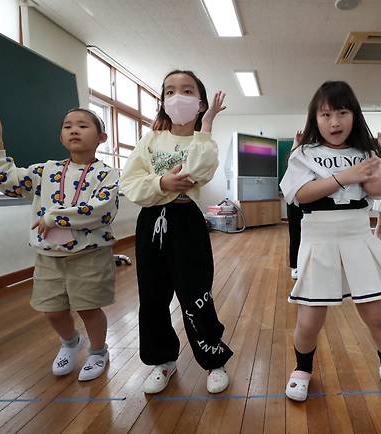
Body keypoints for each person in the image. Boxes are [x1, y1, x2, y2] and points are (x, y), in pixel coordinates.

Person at [279, 81, 381, 403]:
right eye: (326, 114)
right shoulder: (304, 153)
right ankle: (302, 369)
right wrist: (343, 177)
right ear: (315, 117)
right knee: (310, 320)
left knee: (375, 315)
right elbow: (299, 195)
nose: (334, 122)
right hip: (318, 239)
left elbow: (377, 189)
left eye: (342, 112)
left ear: (354, 115)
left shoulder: (365, 152)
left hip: (356, 237)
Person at [0, 109, 119, 381]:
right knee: (51, 309)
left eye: (83, 125)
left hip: (89, 255)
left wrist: (54, 217)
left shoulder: (106, 174)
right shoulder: (47, 170)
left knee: (89, 307)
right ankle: (70, 343)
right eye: (68, 126)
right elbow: (7, 182)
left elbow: (102, 209)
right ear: (61, 136)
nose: (74, 130)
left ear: (101, 137)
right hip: (48, 256)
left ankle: (98, 351)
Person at [120, 70, 232, 394]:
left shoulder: (203, 140)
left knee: (196, 293)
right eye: (169, 91)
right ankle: (162, 360)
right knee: (152, 296)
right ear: (162, 100)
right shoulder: (150, 140)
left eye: (185, 90)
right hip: (150, 223)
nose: (176, 97)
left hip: (187, 221)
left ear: (200, 103)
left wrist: (207, 126)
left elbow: (199, 172)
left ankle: (213, 359)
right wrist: (160, 182)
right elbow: (130, 183)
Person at [286, 130, 304, 279]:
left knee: (310, 235)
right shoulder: (294, 159)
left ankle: (307, 263)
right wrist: (296, 143)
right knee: (295, 234)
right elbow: (291, 159)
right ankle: (295, 266)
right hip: (293, 201)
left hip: (310, 200)